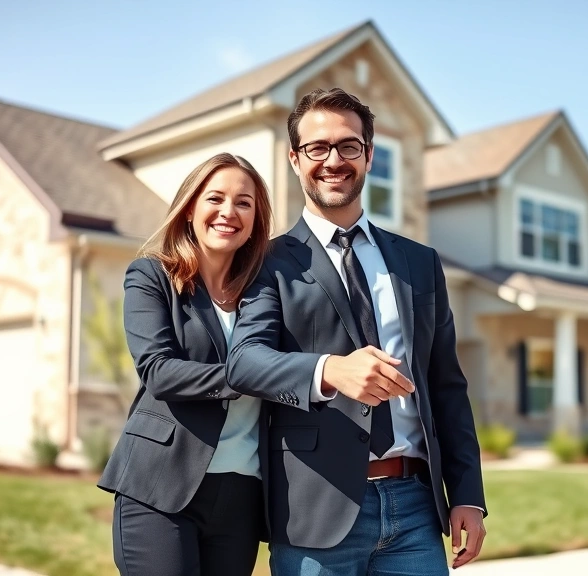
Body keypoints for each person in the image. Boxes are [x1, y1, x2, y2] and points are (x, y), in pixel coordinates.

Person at [225, 88, 487, 575]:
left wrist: (467, 495)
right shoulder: (267, 261)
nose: (333, 160)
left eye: (348, 146)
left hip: (415, 508)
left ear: (368, 155)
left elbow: (447, 386)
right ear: (295, 159)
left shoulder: (420, 262)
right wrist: (329, 371)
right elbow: (244, 362)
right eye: (317, 148)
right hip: (315, 509)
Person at [98, 152, 273, 576]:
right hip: (161, 485)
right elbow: (158, 370)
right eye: (215, 198)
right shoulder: (152, 276)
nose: (228, 212)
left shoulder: (265, 292)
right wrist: (255, 377)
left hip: (242, 494)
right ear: (191, 207)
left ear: (255, 220)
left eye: (244, 203)